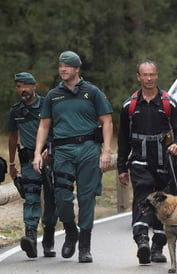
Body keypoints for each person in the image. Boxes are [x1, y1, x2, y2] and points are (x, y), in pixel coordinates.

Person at [32, 51, 113, 263]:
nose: (63, 69)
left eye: (67, 66)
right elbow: (44, 125)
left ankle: (84, 247)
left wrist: (106, 151)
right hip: (63, 152)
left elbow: (107, 121)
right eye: (60, 66)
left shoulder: (92, 92)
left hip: (88, 149)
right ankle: (70, 230)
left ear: (77, 69)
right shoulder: (53, 95)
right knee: (62, 196)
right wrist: (37, 153)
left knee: (87, 198)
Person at [117, 60, 177, 265]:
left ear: (157, 76)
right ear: (138, 77)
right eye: (145, 75)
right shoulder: (129, 106)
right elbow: (122, 139)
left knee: (163, 204)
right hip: (140, 162)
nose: (149, 79)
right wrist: (122, 168)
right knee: (142, 199)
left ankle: (158, 247)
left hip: (164, 163)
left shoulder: (169, 103)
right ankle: (142, 241)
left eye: (152, 75)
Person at [8, 72, 58, 259]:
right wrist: (12, 163)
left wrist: (52, 150)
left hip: (50, 159)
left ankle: (49, 239)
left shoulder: (47, 105)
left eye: (25, 86)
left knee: (52, 198)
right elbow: (13, 137)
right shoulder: (16, 111)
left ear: (34, 85)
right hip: (29, 161)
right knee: (31, 196)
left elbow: (58, 128)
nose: (22, 90)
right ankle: (30, 237)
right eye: (18, 86)